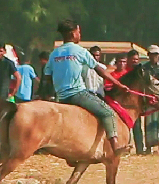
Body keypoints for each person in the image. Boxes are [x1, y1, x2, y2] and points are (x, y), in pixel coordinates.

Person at [43, 19, 131, 156]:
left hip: (61, 97)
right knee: (108, 113)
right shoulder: (79, 51)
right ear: (73, 33)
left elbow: (47, 77)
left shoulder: (54, 54)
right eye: (79, 32)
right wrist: (118, 84)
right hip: (78, 94)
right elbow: (100, 70)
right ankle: (115, 146)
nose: (80, 34)